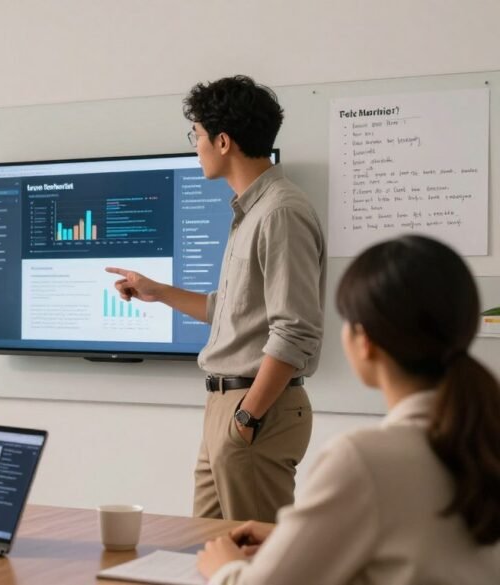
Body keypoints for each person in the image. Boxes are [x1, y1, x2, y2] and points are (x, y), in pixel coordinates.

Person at [197, 235, 500, 584]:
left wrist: (223, 567)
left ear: (365, 341)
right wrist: (293, 541)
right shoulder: (481, 440)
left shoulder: (364, 460)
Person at [107, 75, 326, 522]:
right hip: (226, 408)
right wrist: (160, 292)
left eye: (198, 136)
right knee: (205, 554)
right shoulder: (251, 211)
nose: (196, 146)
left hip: (253, 410)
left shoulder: (280, 211)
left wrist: (246, 418)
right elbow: (233, 314)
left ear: (223, 141)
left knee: (258, 562)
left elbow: (295, 330)